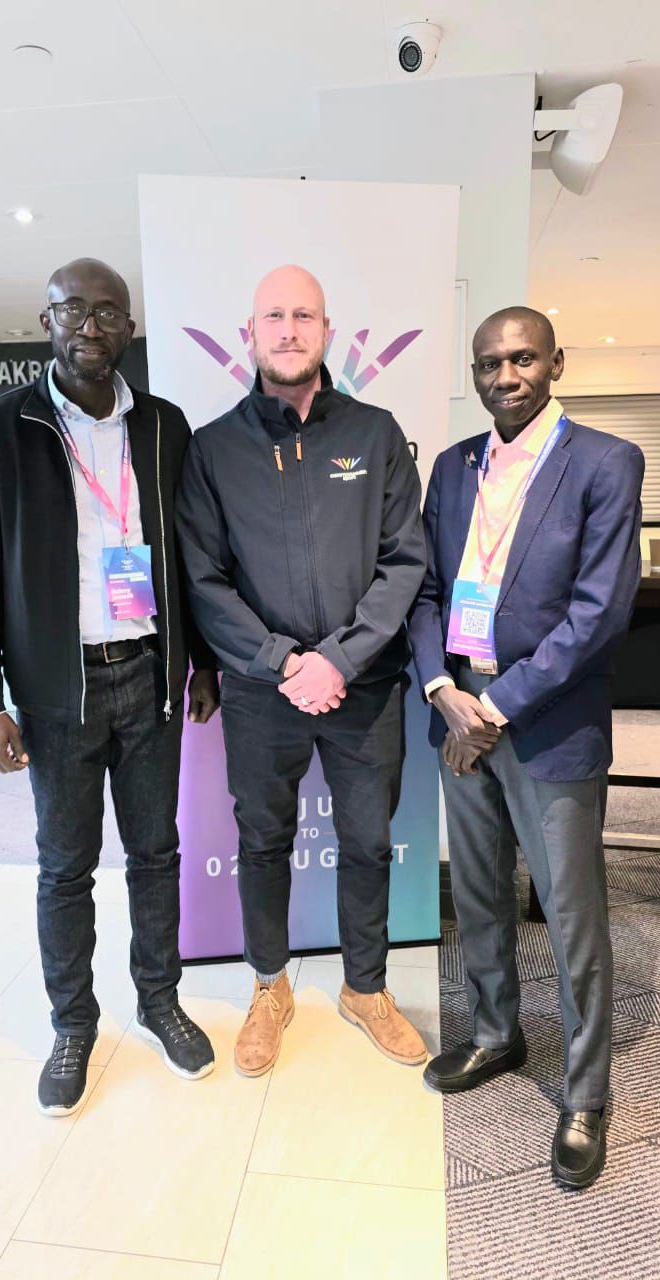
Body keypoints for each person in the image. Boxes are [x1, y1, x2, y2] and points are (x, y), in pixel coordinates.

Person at [0, 258, 219, 1115]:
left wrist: (202, 660)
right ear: (48, 321)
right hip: (56, 693)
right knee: (65, 868)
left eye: (107, 312)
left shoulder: (165, 426)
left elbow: (193, 558)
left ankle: (160, 1001)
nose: (90, 326)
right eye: (73, 310)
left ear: (129, 328)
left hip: (149, 676)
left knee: (156, 854)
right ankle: (73, 1023)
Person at [409, 306, 644, 1188]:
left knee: (573, 915)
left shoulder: (606, 462)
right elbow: (426, 593)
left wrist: (493, 707)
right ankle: (497, 1033)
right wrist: (443, 691)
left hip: (544, 722)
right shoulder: (453, 466)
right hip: (458, 712)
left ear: (555, 362)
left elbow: (598, 614)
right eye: (488, 362)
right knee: (478, 894)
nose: (505, 376)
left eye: (522, 358)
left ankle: (586, 1093)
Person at [177, 264, 428, 1077]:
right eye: (274, 317)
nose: (288, 330)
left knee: (368, 841)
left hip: (365, 685)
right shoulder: (213, 448)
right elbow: (203, 580)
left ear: (327, 332)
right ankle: (269, 988)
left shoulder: (376, 435)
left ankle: (366, 988)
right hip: (263, 691)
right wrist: (286, 660)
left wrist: (339, 660)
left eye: (304, 316)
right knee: (262, 843)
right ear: (249, 333)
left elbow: (405, 562)